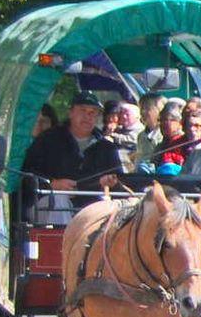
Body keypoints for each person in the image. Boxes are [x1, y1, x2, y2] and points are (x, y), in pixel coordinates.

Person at [20, 91, 125, 220]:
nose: (87, 116)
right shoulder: (47, 139)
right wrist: (52, 184)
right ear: (70, 113)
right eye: (82, 110)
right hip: (48, 205)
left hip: (90, 209)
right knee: (59, 200)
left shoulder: (107, 148)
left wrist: (111, 183)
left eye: (93, 112)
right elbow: (27, 174)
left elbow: (121, 183)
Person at [149, 101, 190, 176]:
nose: (163, 123)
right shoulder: (160, 146)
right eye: (161, 120)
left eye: (168, 120)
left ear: (180, 122)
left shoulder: (185, 144)